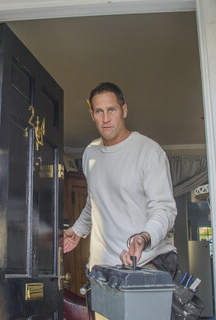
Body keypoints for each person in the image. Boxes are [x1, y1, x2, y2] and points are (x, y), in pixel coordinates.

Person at [63, 81, 178, 282]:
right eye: (99, 112)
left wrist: (143, 238)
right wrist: (78, 230)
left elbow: (164, 209)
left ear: (124, 110)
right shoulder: (91, 153)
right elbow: (95, 200)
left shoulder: (149, 152)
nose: (106, 119)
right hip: (102, 270)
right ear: (92, 115)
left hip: (147, 263)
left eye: (111, 110)